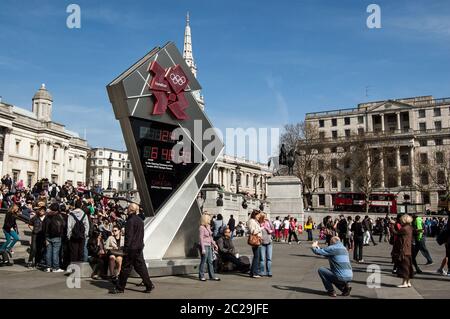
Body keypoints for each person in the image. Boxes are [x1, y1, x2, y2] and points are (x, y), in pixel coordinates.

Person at [110, 203, 155, 294]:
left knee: (125, 268)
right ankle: (149, 285)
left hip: (131, 249)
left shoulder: (130, 221)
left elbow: (128, 237)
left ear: (130, 210)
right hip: (139, 247)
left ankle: (120, 288)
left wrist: (125, 249)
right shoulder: (140, 220)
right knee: (141, 268)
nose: (126, 210)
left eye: (127, 208)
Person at [390, 214, 414, 288]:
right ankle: (408, 281)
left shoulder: (404, 228)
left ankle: (404, 282)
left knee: (404, 267)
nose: (400, 221)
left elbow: (395, 232)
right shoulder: (410, 227)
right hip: (408, 249)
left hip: (403, 249)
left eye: (401, 219)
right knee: (409, 266)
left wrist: (392, 225)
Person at [42, 202, 65, 272]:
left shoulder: (47, 216)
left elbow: (43, 227)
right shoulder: (59, 216)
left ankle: (48, 267)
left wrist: (45, 236)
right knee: (55, 252)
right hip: (57, 236)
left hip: (48, 236)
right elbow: (63, 225)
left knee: (48, 252)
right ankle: (55, 267)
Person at [197, 213, 220, 281]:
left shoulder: (208, 226)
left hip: (209, 245)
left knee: (210, 261)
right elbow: (201, 238)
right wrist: (203, 248)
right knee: (203, 261)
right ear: (205, 219)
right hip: (204, 245)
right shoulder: (201, 227)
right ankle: (201, 276)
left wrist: (215, 244)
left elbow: (210, 237)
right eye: (209, 219)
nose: (210, 220)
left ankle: (212, 276)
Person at [27, 203, 46, 269]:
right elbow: (29, 224)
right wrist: (33, 230)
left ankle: (37, 262)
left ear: (45, 211)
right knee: (33, 249)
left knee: (40, 249)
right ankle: (30, 261)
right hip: (35, 235)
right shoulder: (35, 217)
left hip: (42, 235)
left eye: (43, 211)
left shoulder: (46, 218)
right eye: (40, 210)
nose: (41, 212)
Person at [247, 210, 262, 278]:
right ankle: (254, 273)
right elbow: (252, 231)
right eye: (258, 215)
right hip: (255, 240)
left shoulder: (255, 221)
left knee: (257, 256)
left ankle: (253, 272)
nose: (259, 216)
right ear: (255, 215)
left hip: (258, 239)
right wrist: (260, 229)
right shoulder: (251, 221)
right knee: (256, 256)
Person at [259, 213, 274, 277]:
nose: (265, 218)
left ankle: (269, 271)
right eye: (264, 216)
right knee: (262, 259)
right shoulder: (260, 224)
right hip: (262, 243)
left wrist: (269, 221)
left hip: (269, 242)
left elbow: (273, 229)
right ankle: (262, 271)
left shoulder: (268, 223)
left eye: (266, 216)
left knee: (269, 258)